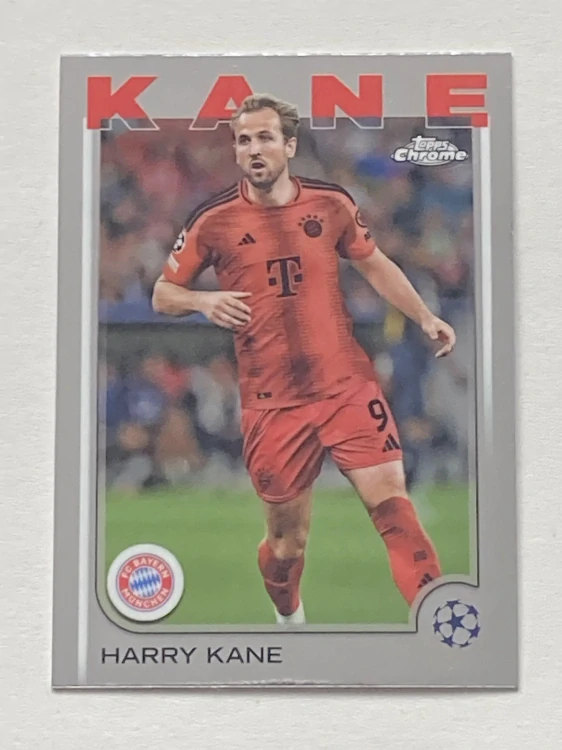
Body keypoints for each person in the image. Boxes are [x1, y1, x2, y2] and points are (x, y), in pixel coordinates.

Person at [152, 94, 456, 626]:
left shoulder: (331, 204)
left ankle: (438, 625)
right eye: (243, 140)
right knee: (286, 545)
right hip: (273, 404)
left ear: (289, 146)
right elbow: (162, 294)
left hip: (346, 387)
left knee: (394, 509)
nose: (254, 149)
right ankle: (289, 617)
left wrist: (424, 316)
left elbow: (374, 263)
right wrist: (202, 300)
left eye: (265, 137)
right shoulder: (213, 220)